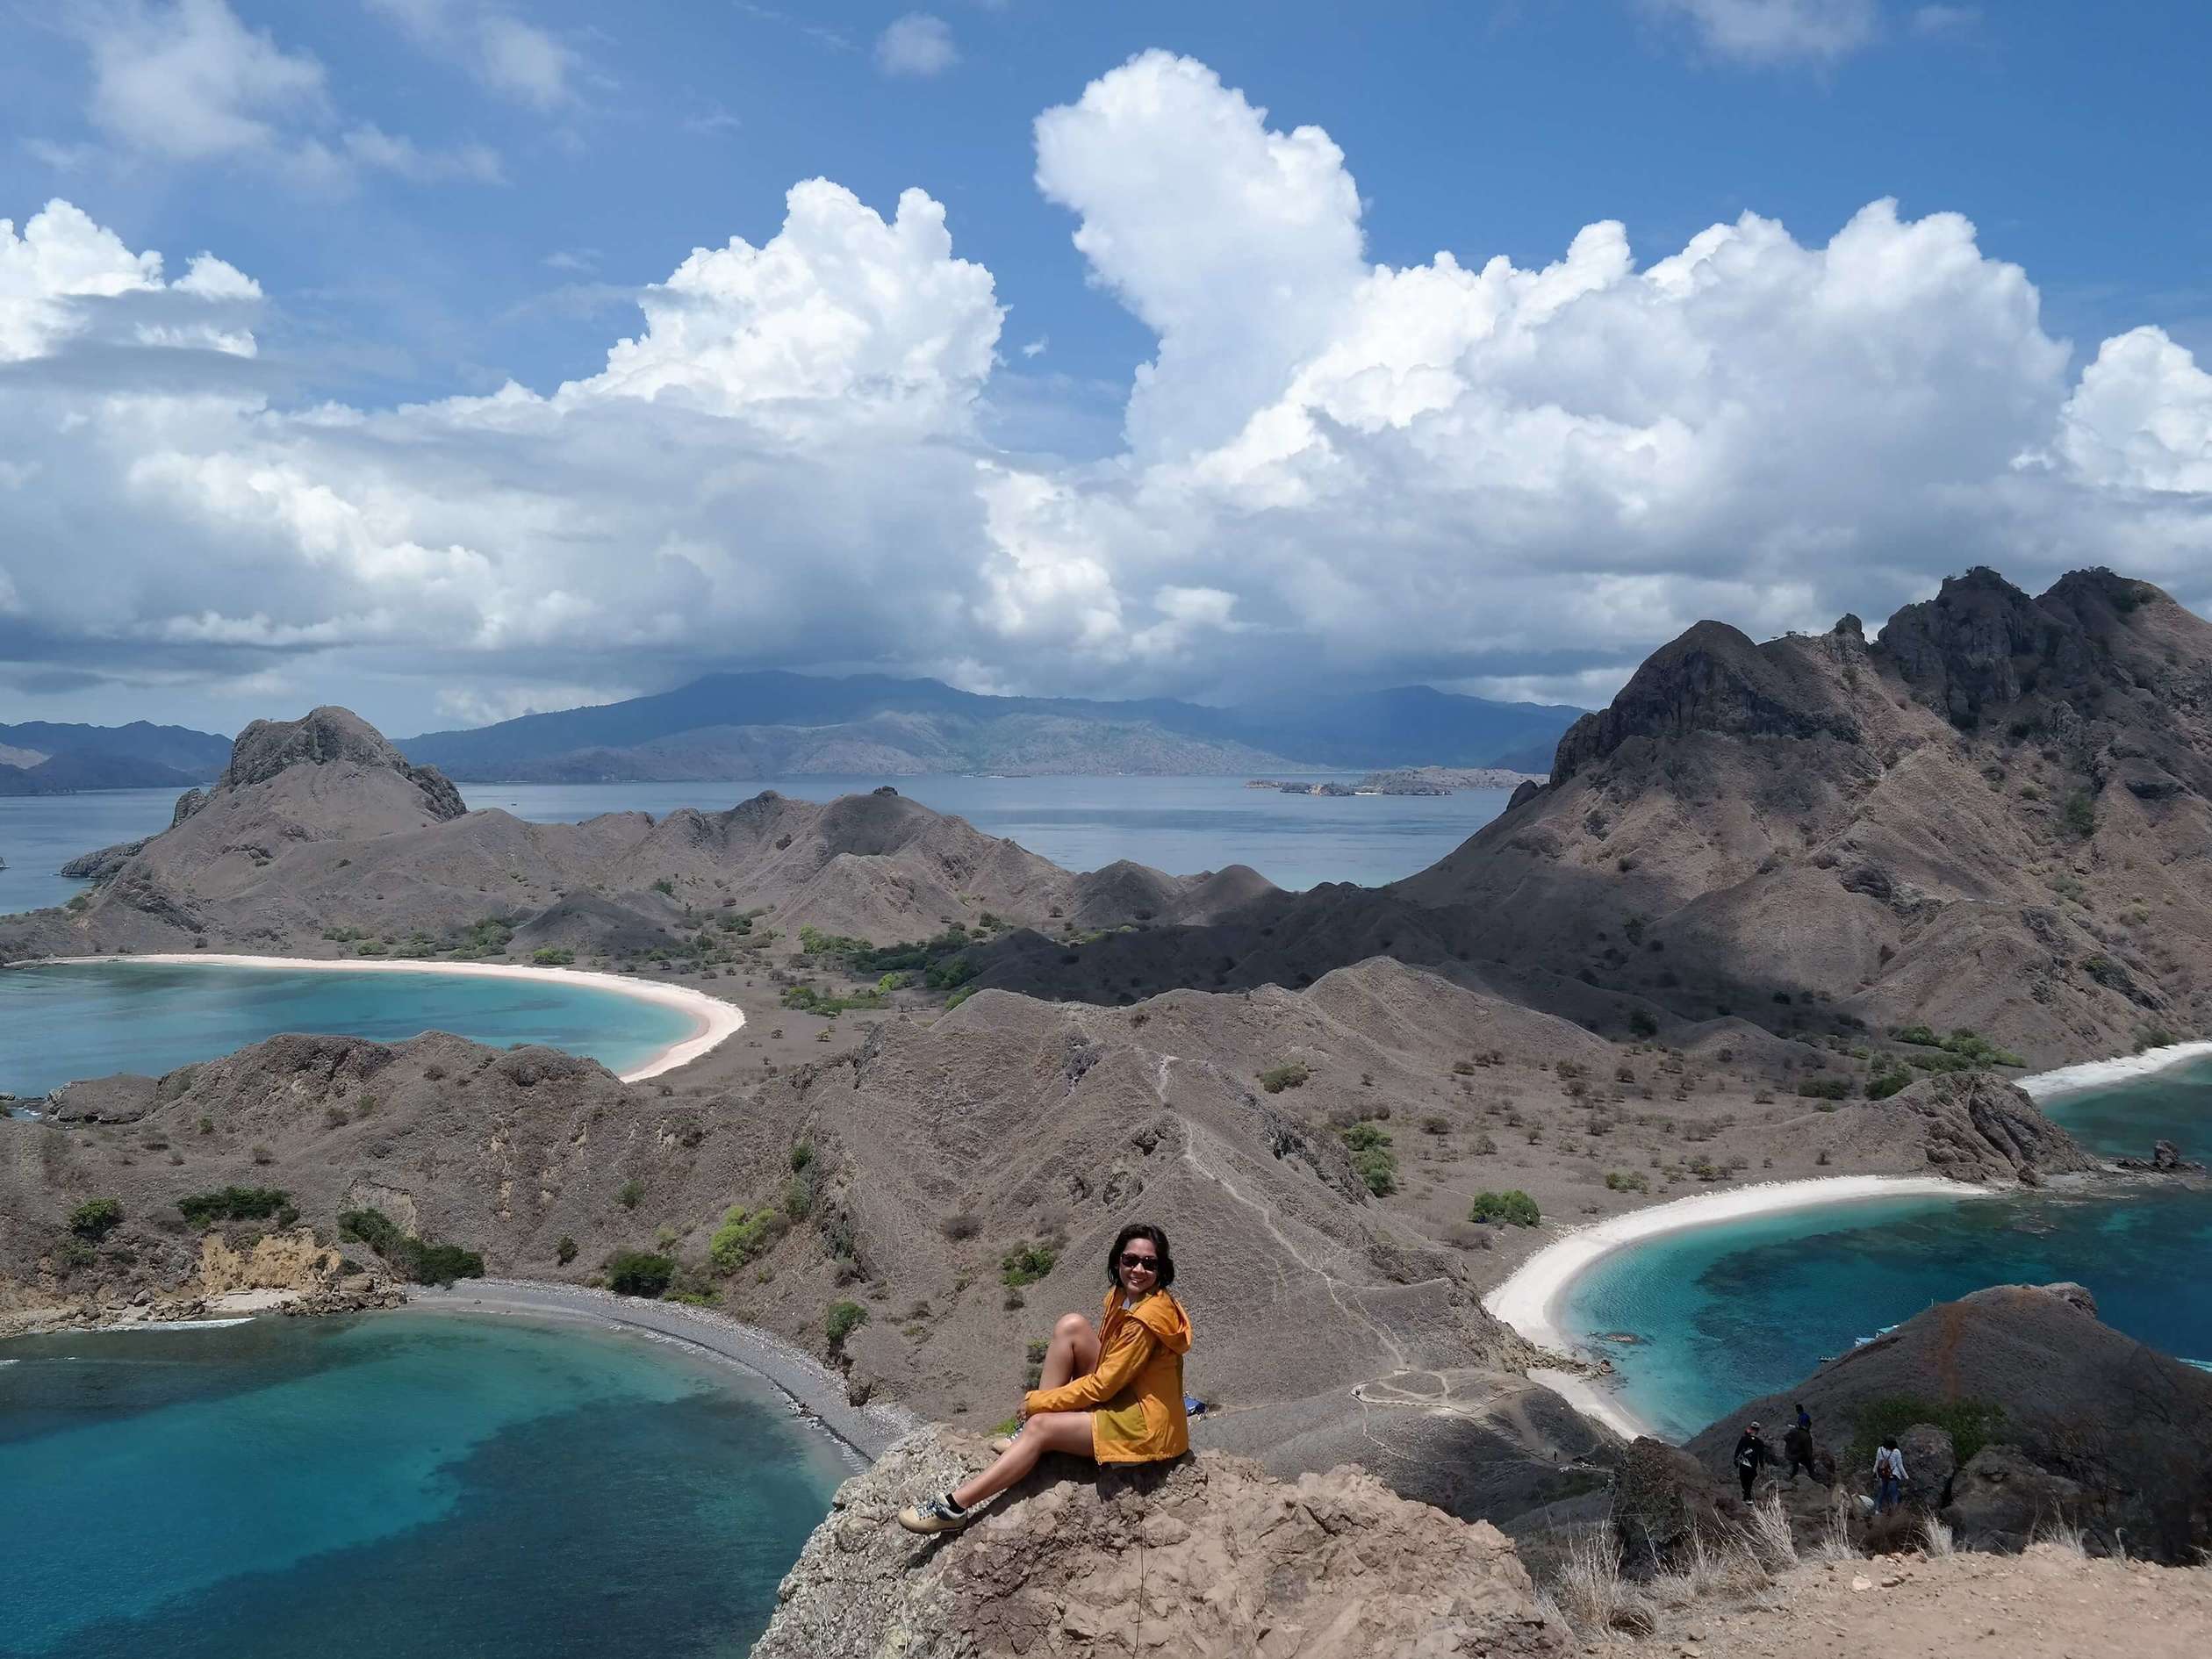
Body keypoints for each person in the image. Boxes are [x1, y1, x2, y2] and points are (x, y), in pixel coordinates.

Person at [898, 1221, 1194, 1534]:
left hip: (1143, 1426)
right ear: (1117, 1260)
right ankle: (1029, 1434)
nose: (1137, 1270)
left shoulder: (1145, 1321)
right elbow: (1110, 1366)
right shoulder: (1125, 1297)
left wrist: (1039, 1403)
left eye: (1149, 1263)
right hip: (1129, 1394)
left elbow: (1104, 1386)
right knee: (1072, 1326)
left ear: (1161, 1270)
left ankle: (953, 1508)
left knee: (1042, 1425)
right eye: (1129, 1260)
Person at [1732, 1420, 1771, 1501]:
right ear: (1758, 1430)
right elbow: (1761, 1455)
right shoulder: (1760, 1442)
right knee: (1750, 1480)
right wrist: (1762, 1466)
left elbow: (1738, 1450)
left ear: (1751, 1428)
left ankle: (1746, 1494)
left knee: (1743, 1479)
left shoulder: (1744, 1439)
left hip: (1743, 1462)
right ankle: (1747, 1496)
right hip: (1753, 1464)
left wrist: (1735, 1460)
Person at [1782, 1417, 1820, 1486]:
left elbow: (1785, 1438)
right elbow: (1809, 1452)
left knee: (1795, 1468)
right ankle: (1815, 1481)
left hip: (1790, 1454)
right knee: (1810, 1467)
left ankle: (1790, 1479)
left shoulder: (1793, 1431)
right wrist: (1811, 1459)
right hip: (1799, 1456)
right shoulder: (1806, 1436)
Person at [1873, 1437, 1907, 1512]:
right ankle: (1895, 1510)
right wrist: (1906, 1477)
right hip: (1893, 1475)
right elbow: (1900, 1466)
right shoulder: (1896, 1451)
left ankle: (1877, 1508)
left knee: (1883, 1491)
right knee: (1894, 1493)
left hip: (1883, 1474)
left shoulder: (1880, 1449)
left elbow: (1877, 1461)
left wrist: (1874, 1472)